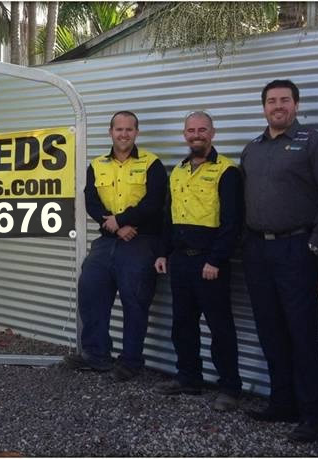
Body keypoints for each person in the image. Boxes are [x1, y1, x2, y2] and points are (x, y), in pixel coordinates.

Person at [240, 79, 318, 442]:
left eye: (284, 100)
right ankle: (282, 402)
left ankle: (314, 415)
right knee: (269, 330)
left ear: (296, 104)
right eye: (271, 101)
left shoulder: (315, 143)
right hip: (258, 252)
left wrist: (314, 244)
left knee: (302, 334)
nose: (277, 106)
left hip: (297, 249)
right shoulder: (252, 149)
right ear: (263, 107)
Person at [63, 111, 167, 381]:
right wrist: (115, 225)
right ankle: (96, 355)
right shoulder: (97, 165)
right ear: (110, 132)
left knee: (135, 299)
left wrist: (122, 220)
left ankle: (131, 362)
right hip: (108, 240)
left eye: (129, 129)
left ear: (136, 133)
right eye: (119, 129)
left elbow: (154, 202)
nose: (124, 134)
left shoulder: (151, 163)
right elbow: (91, 200)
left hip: (140, 240)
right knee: (90, 290)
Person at [154, 111, 243, 411]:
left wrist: (216, 259)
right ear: (184, 135)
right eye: (191, 130)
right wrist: (163, 253)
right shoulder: (178, 171)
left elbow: (232, 222)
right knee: (182, 324)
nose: (196, 135)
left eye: (202, 130)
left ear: (212, 133)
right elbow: (168, 217)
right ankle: (189, 378)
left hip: (209, 263)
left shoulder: (227, 171)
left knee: (219, 327)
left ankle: (229, 388)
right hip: (180, 261)